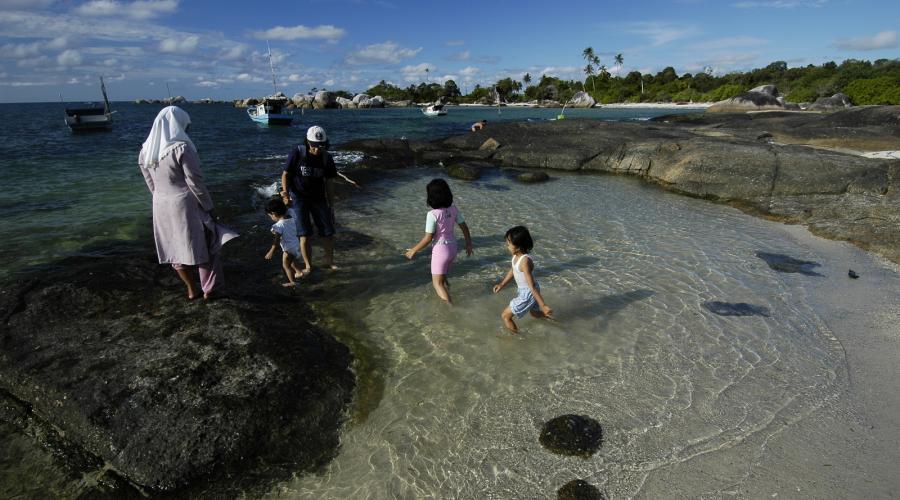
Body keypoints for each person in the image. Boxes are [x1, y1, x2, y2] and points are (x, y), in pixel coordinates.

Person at [139, 106, 237, 300]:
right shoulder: (181, 148)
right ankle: (210, 289)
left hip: (160, 203)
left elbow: (150, 183)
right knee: (206, 243)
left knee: (174, 246)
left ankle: (191, 289)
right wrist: (208, 206)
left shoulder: (145, 151)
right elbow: (194, 181)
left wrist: (161, 199)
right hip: (184, 202)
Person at [280, 125, 359, 276]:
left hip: (318, 197)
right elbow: (286, 174)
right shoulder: (298, 152)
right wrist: (286, 194)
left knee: (328, 232)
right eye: (314, 146)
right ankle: (309, 266)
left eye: (321, 146)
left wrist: (331, 205)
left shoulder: (326, 158)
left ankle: (329, 262)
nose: (317, 149)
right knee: (305, 234)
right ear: (308, 142)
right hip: (299, 197)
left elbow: (329, 182)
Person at [404, 178, 473, 304]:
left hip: (441, 250)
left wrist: (413, 250)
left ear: (431, 198)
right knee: (443, 277)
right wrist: (468, 244)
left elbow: (428, 238)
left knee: (437, 284)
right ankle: (448, 291)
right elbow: (464, 227)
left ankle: (451, 308)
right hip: (453, 248)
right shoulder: (454, 209)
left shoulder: (432, 214)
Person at [492, 226, 553, 333]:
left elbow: (531, 285)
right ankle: (550, 317)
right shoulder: (516, 256)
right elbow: (513, 270)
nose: (507, 245)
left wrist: (543, 305)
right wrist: (502, 284)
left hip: (529, 292)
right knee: (534, 314)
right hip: (527, 291)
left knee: (505, 316)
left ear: (518, 246)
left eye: (509, 243)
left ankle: (516, 339)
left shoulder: (525, 261)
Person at [264, 198, 305, 287]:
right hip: (296, 245)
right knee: (291, 261)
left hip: (288, 248)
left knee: (286, 265)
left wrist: (271, 251)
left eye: (270, 216)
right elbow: (288, 208)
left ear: (273, 214)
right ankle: (299, 272)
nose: (271, 218)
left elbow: (276, 240)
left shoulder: (278, 225)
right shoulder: (291, 215)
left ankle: (292, 282)